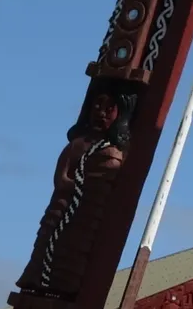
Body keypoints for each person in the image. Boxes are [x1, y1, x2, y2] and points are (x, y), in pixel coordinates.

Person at [17, 79, 136, 299]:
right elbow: (61, 179)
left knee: (74, 255)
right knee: (47, 248)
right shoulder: (77, 145)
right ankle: (38, 280)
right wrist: (81, 185)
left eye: (109, 109)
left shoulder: (112, 152)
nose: (101, 113)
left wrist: (91, 188)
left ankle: (63, 286)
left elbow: (106, 185)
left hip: (86, 218)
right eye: (97, 106)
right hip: (61, 210)